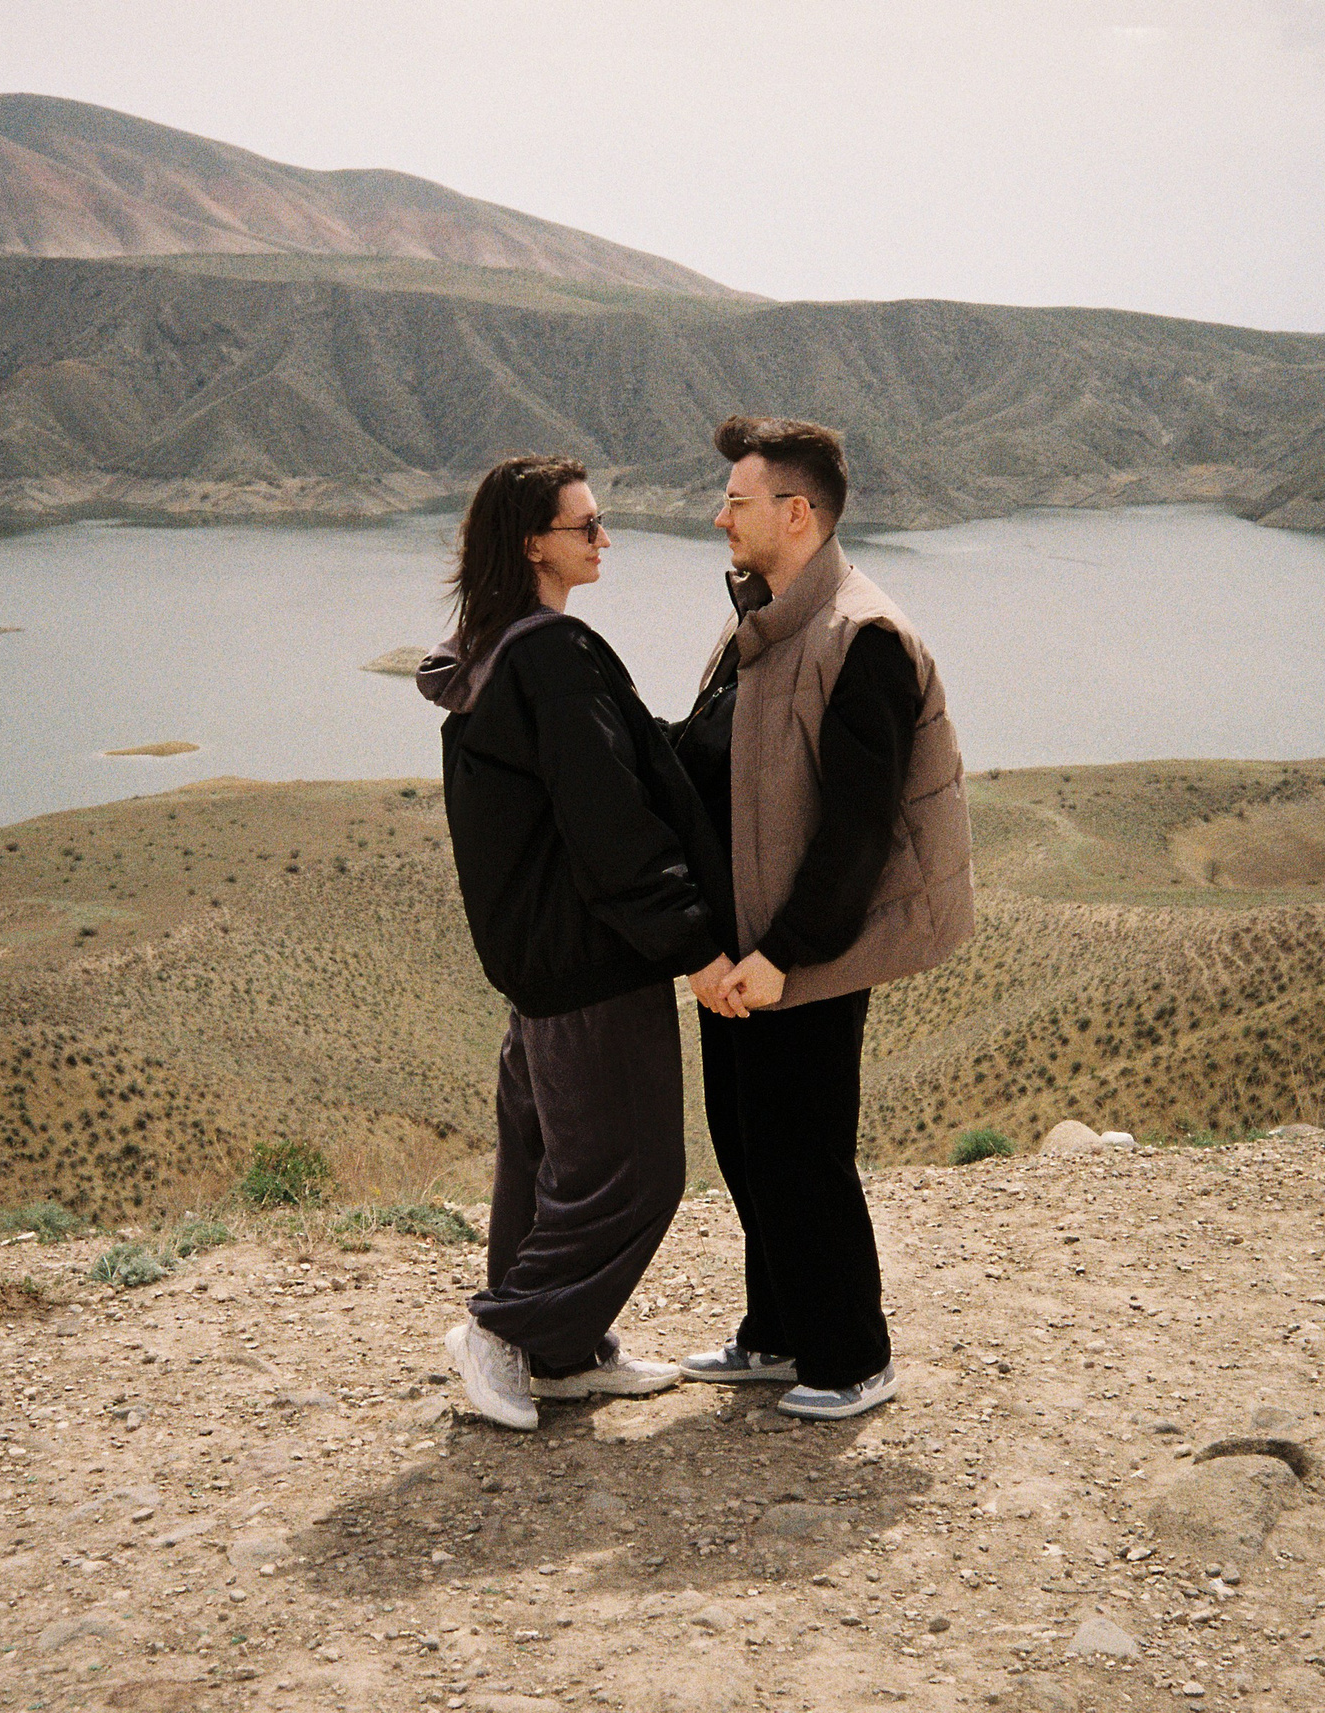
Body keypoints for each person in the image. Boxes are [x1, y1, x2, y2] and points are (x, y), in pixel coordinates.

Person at [417, 454, 740, 1431]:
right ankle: (504, 1335)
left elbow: (610, 769)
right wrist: (694, 946)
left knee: (552, 1166)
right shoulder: (549, 654)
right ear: (532, 542)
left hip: (540, 964)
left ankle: (560, 1354)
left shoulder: (491, 649)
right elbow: (609, 821)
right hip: (592, 960)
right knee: (636, 1172)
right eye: (586, 526)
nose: (604, 541)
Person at [671, 416, 973, 1421]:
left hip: (802, 954)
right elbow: (709, 752)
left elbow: (856, 834)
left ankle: (850, 1357)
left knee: (803, 1155)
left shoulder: (861, 637)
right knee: (748, 1144)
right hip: (742, 949)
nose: (719, 517)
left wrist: (782, 957)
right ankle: (777, 1333)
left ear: (796, 514)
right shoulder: (762, 619)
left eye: (737, 501)